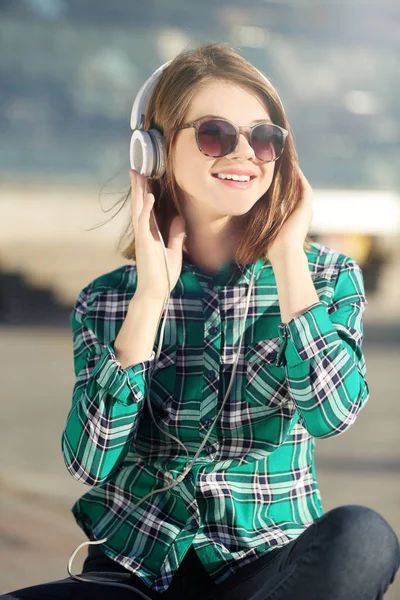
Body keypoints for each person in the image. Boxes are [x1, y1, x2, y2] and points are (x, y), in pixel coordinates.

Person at [3, 41, 399, 600]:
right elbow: (88, 461)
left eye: (265, 139)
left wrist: (288, 260)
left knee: (364, 537)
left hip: (262, 567)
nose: (245, 154)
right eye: (215, 134)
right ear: (155, 153)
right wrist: (148, 301)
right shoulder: (108, 301)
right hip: (136, 573)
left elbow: (332, 414)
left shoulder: (326, 279)